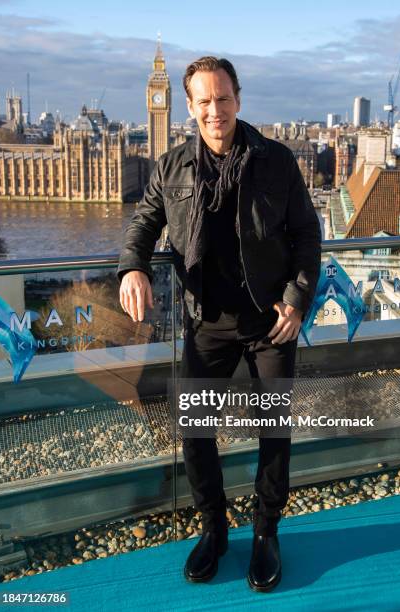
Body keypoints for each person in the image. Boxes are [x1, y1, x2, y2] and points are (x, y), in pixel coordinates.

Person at [118, 56, 321, 592]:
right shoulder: (171, 166)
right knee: (196, 432)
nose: (215, 110)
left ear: (238, 99)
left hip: (270, 321)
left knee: (272, 431)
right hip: (206, 320)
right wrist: (134, 265)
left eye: (223, 98)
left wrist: (297, 299)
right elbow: (144, 222)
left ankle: (265, 534)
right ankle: (213, 529)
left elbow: (306, 233)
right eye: (204, 101)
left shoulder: (276, 160)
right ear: (188, 106)